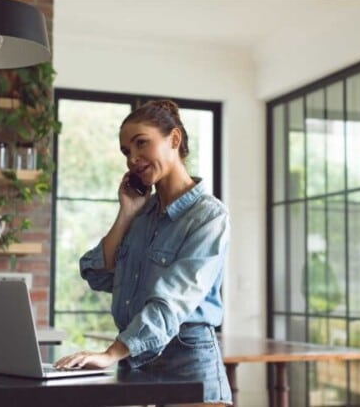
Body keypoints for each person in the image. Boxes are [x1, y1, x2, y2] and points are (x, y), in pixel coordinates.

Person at [55, 100, 232, 406]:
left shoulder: (209, 216)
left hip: (187, 365)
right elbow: (97, 274)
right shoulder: (141, 213)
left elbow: (173, 299)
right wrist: (126, 213)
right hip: (136, 363)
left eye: (141, 144)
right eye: (126, 151)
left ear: (174, 139)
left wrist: (111, 353)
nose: (133, 159)